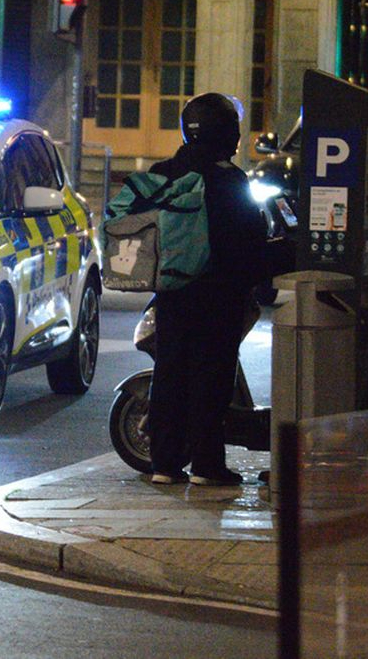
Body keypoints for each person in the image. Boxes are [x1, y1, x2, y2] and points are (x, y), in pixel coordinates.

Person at [145, 92, 287, 486]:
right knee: (212, 377)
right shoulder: (230, 180)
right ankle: (207, 466)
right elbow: (251, 240)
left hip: (171, 293)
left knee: (169, 372)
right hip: (218, 296)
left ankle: (164, 464)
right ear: (227, 134)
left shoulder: (162, 172)